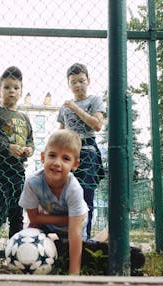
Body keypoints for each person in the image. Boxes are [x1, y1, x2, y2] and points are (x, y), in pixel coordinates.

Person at [19, 130, 145, 275]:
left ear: (75, 165)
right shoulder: (33, 182)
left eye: (66, 159)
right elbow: (34, 218)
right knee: (29, 236)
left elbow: (75, 232)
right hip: (50, 223)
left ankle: (108, 235)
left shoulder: (73, 188)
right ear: (43, 157)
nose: (57, 163)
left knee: (81, 249)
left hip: (75, 225)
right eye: (52, 155)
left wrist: (74, 274)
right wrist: (65, 220)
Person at [0, 66, 34, 249]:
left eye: (16, 88)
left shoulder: (24, 117)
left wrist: (28, 150)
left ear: (21, 92)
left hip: (17, 171)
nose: (12, 91)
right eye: (7, 87)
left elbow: (31, 141)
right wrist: (7, 147)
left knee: (17, 213)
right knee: (0, 210)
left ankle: (15, 250)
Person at [57, 63, 106, 241]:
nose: (78, 85)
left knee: (86, 196)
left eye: (81, 81)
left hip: (86, 152)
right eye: (73, 82)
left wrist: (76, 108)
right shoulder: (64, 108)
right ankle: (66, 237)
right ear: (68, 84)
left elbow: (97, 124)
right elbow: (60, 132)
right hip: (67, 154)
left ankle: (83, 238)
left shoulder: (94, 101)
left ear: (88, 81)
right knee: (65, 196)